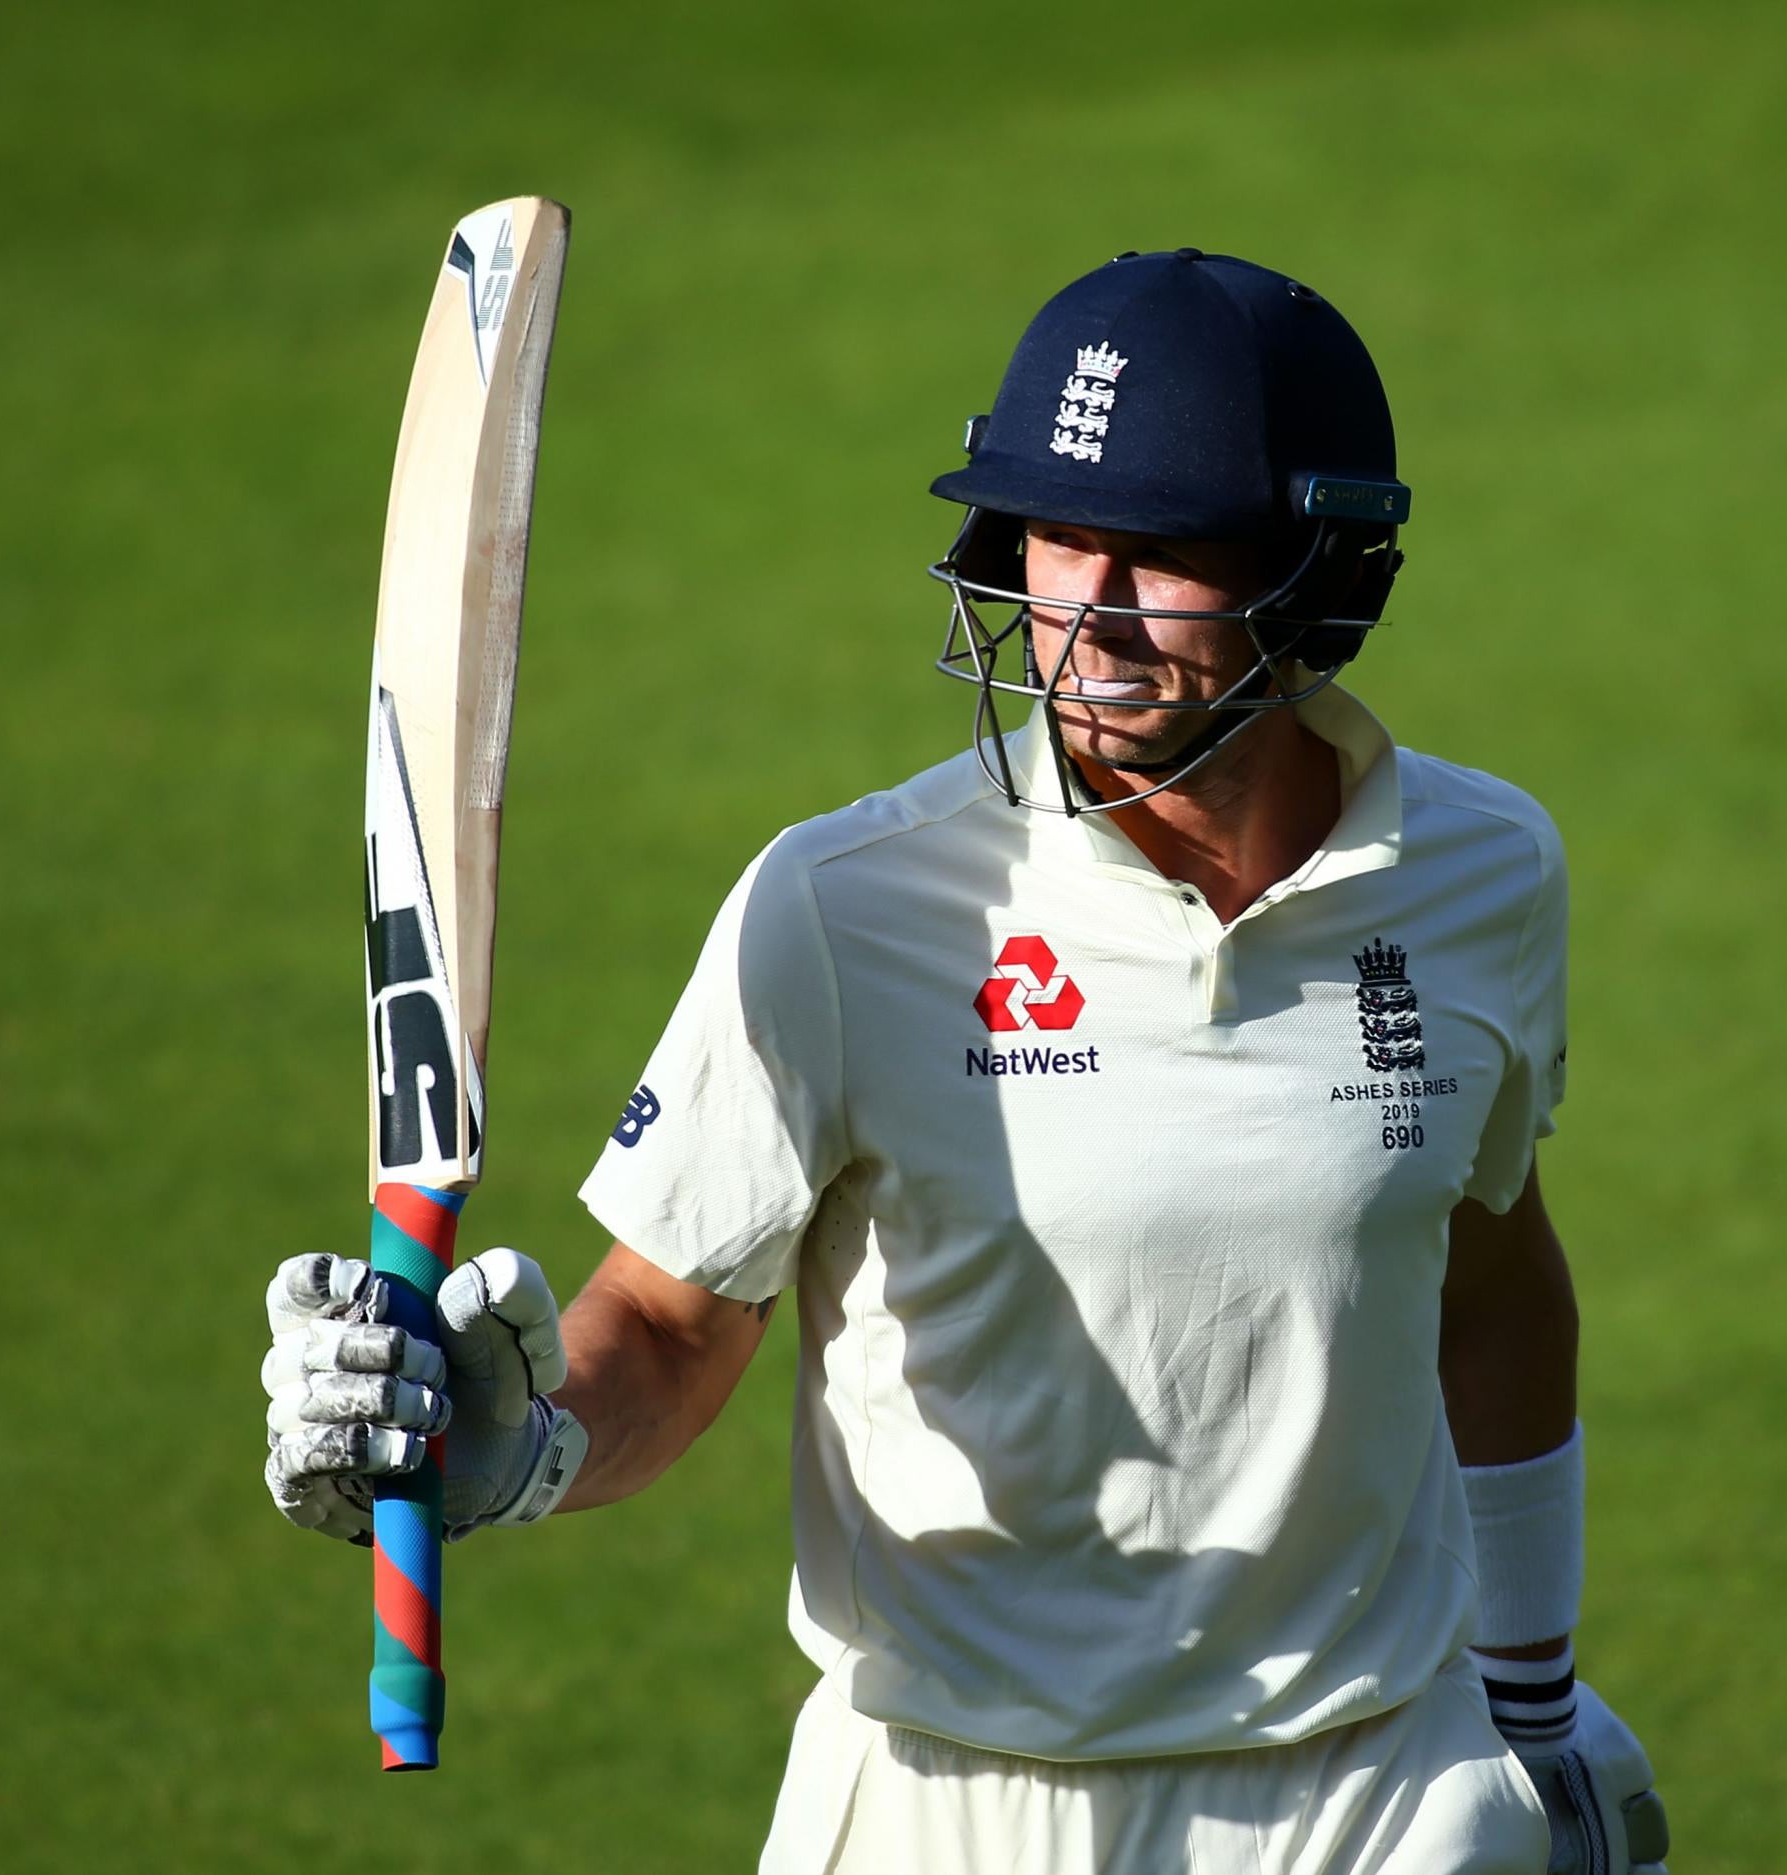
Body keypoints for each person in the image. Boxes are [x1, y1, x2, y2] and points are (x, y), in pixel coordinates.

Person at [263, 248, 1671, 1874]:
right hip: (945, 1803)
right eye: (1060, 540)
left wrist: (1535, 1697)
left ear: (1323, 573)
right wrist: (506, 1440)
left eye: (1165, 550)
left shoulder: (1486, 873)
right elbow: (663, 1318)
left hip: (1373, 1794)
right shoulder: (846, 909)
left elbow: (1490, 1279)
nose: (1093, 613)